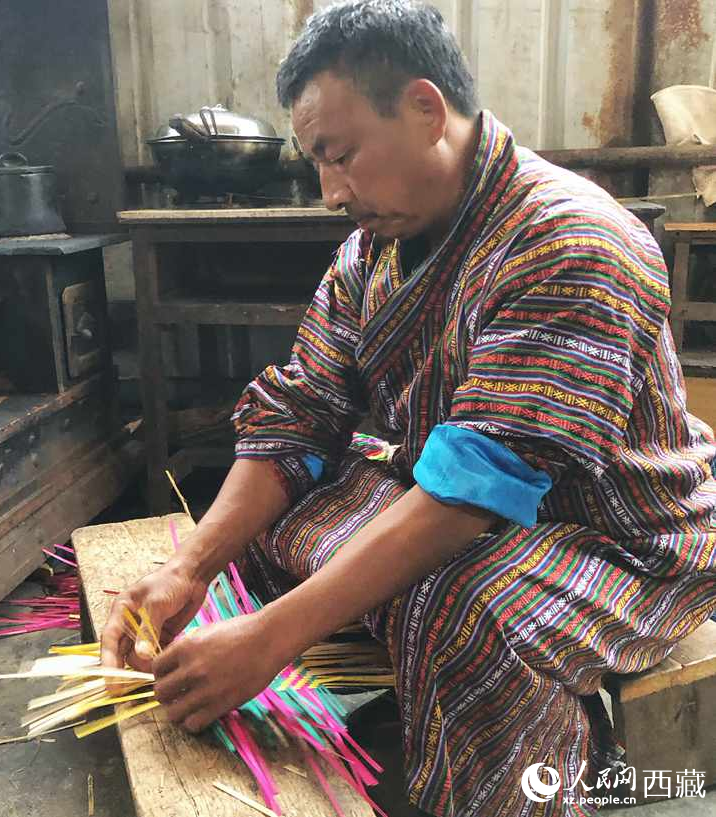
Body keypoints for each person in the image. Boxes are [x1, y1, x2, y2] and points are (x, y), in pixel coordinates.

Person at [102, 2, 716, 814]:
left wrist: (270, 638)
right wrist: (189, 566)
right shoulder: (371, 251)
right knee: (284, 521)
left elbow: (477, 489)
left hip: (616, 536)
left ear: (426, 109)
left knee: (460, 607)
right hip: (454, 493)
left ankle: (548, 780)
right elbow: (301, 414)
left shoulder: (570, 239)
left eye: (341, 156)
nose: (328, 193)